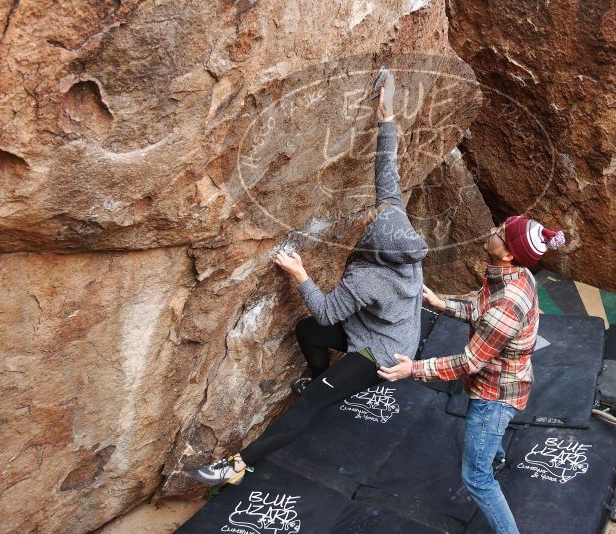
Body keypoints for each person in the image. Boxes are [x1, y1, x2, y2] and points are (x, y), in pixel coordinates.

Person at [192, 68, 428, 486]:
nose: (374, 217)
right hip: (392, 329)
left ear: (378, 246)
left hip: (381, 355)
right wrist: (386, 115)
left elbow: (325, 311)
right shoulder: (401, 238)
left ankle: (236, 465)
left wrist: (299, 272)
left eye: (373, 224)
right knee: (307, 333)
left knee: (310, 407)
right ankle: (320, 379)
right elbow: (387, 172)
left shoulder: (371, 280)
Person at [379, 216, 565, 534]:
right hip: (499, 379)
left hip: (495, 394)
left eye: (500, 232)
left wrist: (413, 369)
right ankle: (495, 456)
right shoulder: (509, 275)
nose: (492, 230)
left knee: (476, 479)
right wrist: (442, 304)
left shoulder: (508, 303)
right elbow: (480, 313)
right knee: (486, 444)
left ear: (507, 253)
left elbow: (468, 362)